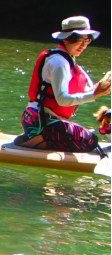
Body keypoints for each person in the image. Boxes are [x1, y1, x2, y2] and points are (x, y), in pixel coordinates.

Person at [16, 15, 111, 152]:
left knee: (88, 138)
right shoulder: (59, 63)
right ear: (66, 38)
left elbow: (88, 91)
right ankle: (36, 140)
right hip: (41, 122)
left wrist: (103, 86)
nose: (84, 45)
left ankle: (38, 138)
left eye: (87, 40)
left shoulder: (67, 60)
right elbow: (62, 99)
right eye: (80, 39)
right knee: (91, 141)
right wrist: (95, 94)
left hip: (39, 120)